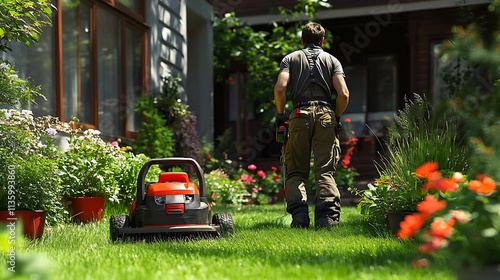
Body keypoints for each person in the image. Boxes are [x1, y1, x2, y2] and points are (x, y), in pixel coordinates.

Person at [274, 22, 349, 229]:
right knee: (325, 171)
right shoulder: (333, 60)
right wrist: (337, 116)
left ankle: (300, 218)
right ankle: (327, 220)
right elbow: (343, 94)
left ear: (302, 40)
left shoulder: (290, 59)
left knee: (296, 171)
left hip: (299, 114)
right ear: (322, 41)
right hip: (326, 115)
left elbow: (280, 88)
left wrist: (281, 115)